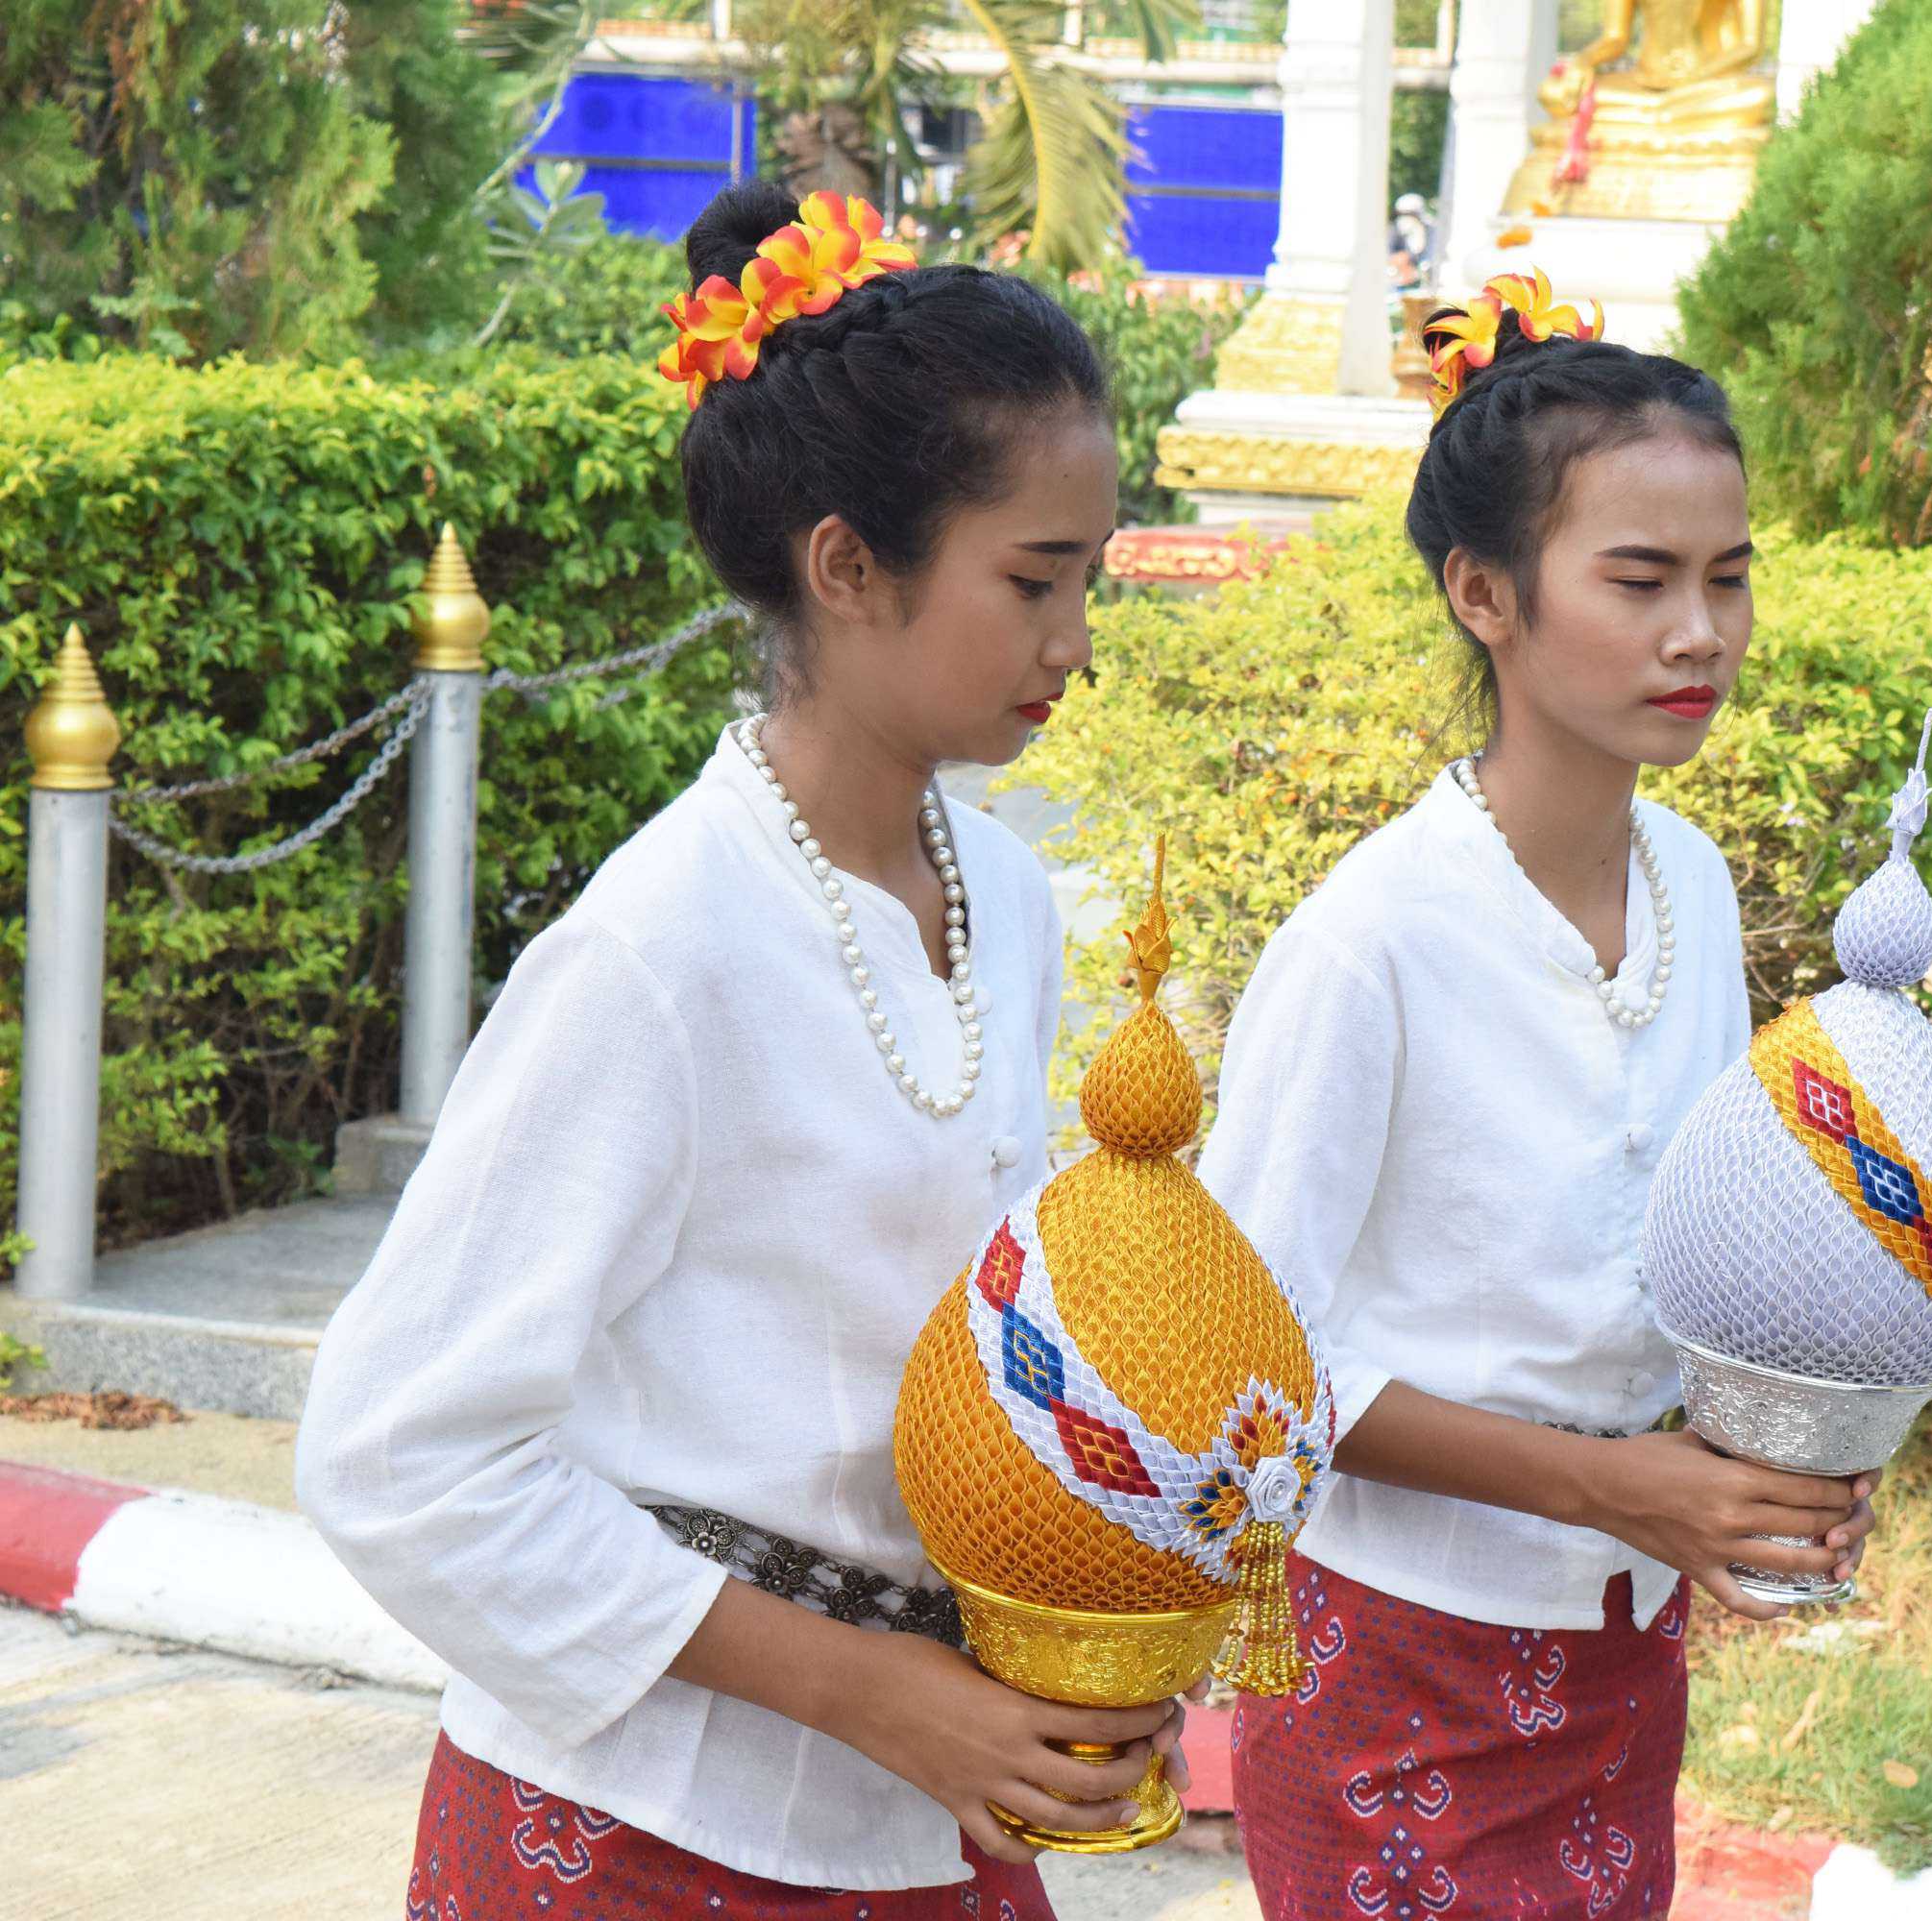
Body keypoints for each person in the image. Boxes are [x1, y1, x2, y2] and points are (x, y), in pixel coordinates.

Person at [295, 180, 1176, 1916]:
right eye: (1031, 581)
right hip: (644, 1827)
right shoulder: (656, 952)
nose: (1074, 646)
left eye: (1092, 580)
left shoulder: (1003, 896)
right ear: (845, 567)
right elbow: (398, 1453)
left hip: (939, 1803)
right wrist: (866, 1689)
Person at [1198, 273, 1873, 1918]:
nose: (1700, 631)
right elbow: (1232, 1369)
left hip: (1622, 1651)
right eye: (1639, 579)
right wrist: (1612, 1482)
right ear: (1484, 593)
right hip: (1388, 1671)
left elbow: (1686, 1250)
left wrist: (1779, 1455)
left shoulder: (1692, 882)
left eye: (1728, 578)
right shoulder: (1372, 939)